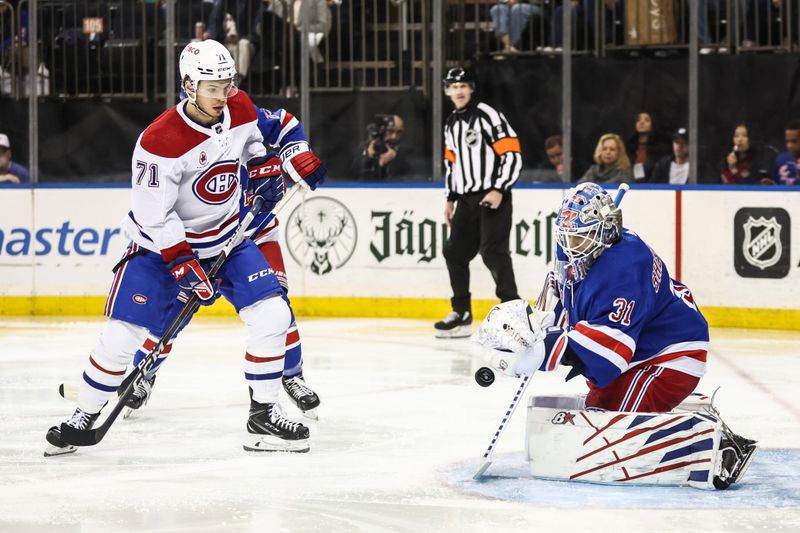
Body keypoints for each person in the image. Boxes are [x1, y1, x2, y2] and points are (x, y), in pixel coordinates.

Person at [44, 39, 325, 457]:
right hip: (159, 250)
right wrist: (182, 263)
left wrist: (290, 157)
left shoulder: (240, 106)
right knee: (123, 335)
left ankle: (263, 414)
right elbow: (154, 217)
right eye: (212, 87)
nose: (222, 95)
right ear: (188, 85)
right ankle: (84, 415)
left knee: (273, 314)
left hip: (228, 238)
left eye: (227, 85)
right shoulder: (159, 142)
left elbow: (280, 126)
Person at [475, 182, 756, 488]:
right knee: (598, 412)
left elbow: (608, 354)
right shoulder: (587, 255)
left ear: (605, 232)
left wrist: (543, 353)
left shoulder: (625, 265)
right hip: (640, 353)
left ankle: (712, 446)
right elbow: (573, 306)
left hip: (669, 356)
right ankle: (690, 421)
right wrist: (536, 326)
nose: (571, 245)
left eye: (580, 236)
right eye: (567, 236)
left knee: (611, 431)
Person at [434, 67, 522, 338]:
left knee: (493, 252)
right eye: (453, 86)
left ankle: (514, 313)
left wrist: (499, 188)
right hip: (466, 199)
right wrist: (450, 198)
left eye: (463, 85)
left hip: (493, 195)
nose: (458, 90)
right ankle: (461, 312)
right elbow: (452, 163)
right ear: (447, 90)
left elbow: (512, 152)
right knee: (455, 253)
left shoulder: (487, 115)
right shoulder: (451, 123)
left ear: (471, 88)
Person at [352, 114, 410, 180]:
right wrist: (369, 157)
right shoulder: (365, 147)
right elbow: (353, 174)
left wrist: (394, 159)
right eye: (390, 131)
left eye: (399, 132)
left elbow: (412, 177)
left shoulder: (407, 150)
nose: (394, 137)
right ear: (381, 130)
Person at [625, 112, 669, 182]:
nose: (642, 122)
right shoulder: (628, 147)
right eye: (638, 120)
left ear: (653, 124)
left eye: (647, 120)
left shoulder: (660, 148)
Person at [771, 119, 800, 185]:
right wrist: (771, 186)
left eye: (794, 141)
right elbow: (777, 184)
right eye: (787, 141)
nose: (789, 145)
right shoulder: (781, 159)